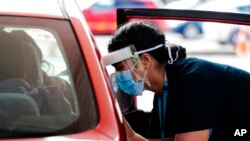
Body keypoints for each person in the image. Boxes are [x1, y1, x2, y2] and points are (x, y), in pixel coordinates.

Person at [102, 21, 250, 141]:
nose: (119, 75)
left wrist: (131, 136)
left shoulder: (193, 80)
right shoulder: (163, 92)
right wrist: (129, 134)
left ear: (145, 60)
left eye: (120, 68)